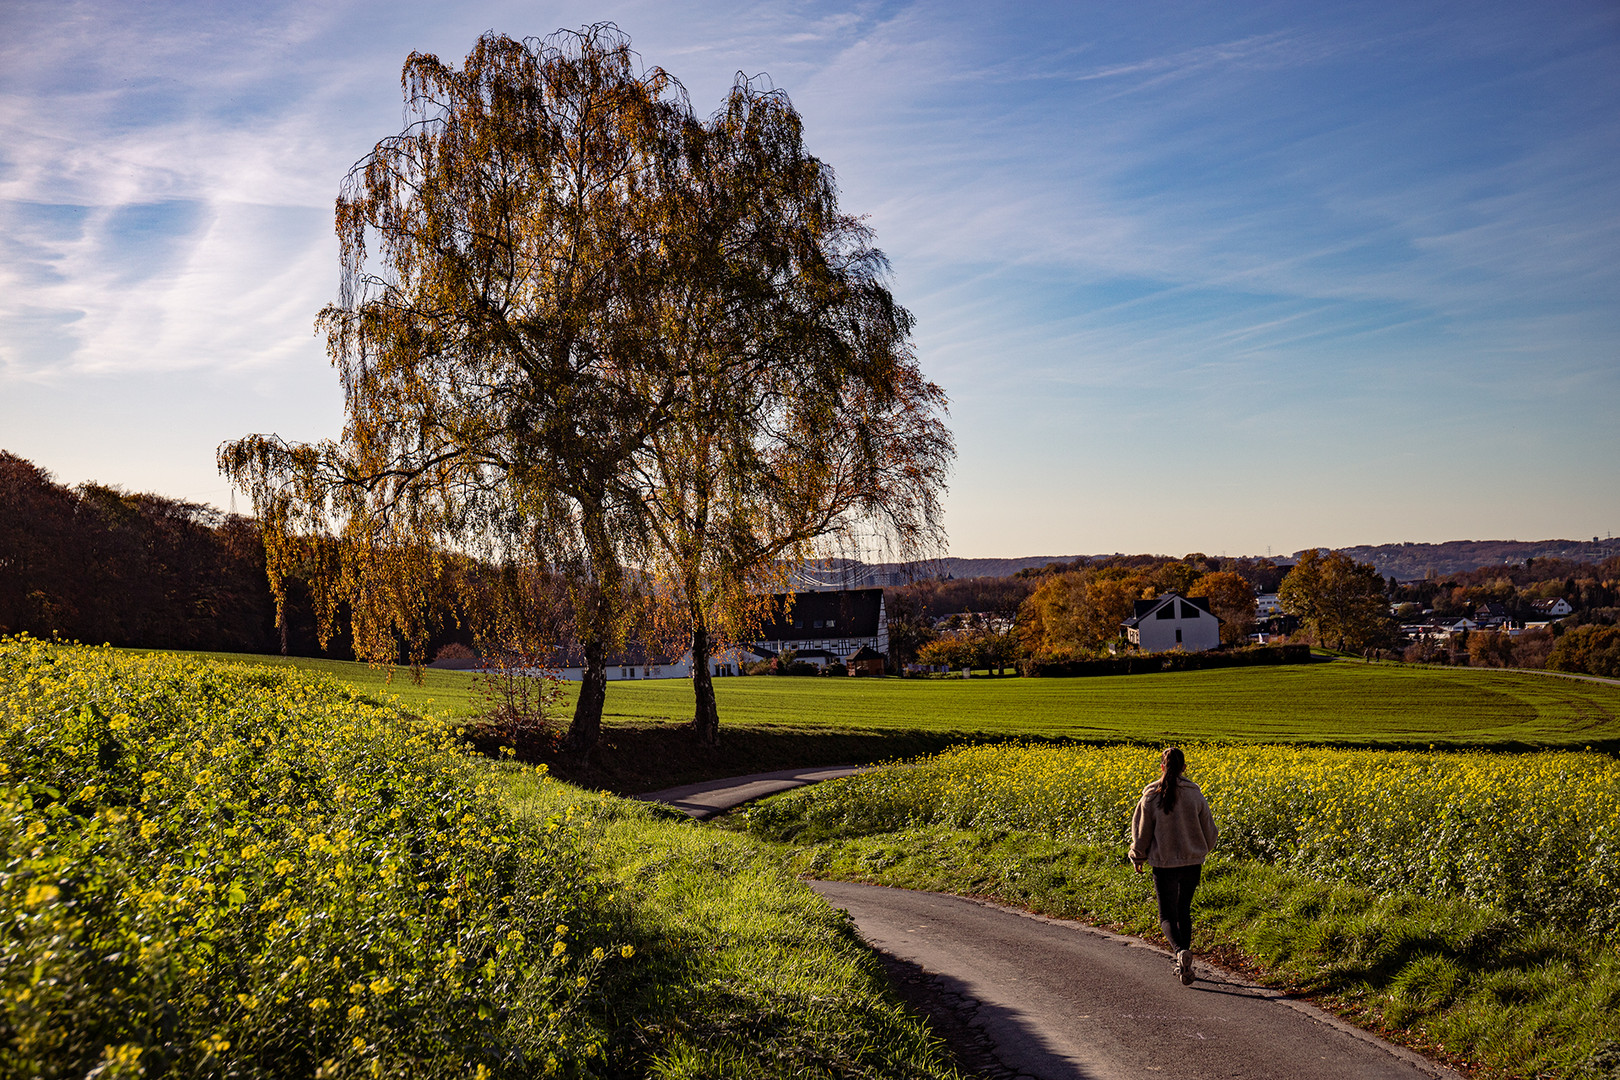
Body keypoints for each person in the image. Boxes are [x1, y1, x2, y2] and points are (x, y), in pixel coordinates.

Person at [1129, 747, 1218, 985]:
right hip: (1192, 863)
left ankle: (1180, 952)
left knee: (1167, 915)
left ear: (1162, 767)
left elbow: (1141, 833)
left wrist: (1137, 857)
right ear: (1184, 768)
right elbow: (1210, 832)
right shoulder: (1195, 795)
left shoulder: (1150, 796)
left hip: (1164, 864)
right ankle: (1184, 959)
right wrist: (1199, 851)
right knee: (1184, 911)